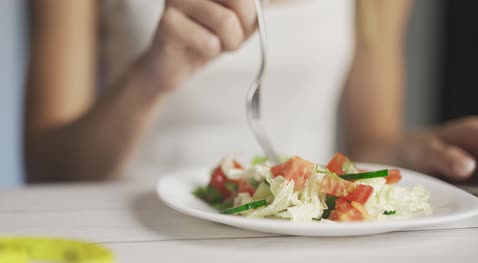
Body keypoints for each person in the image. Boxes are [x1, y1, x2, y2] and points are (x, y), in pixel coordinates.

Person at [23, 0, 477, 183]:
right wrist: (148, 79)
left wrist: (420, 154)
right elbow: (47, 169)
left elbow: (370, 141)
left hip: (299, 244)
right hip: (130, 237)